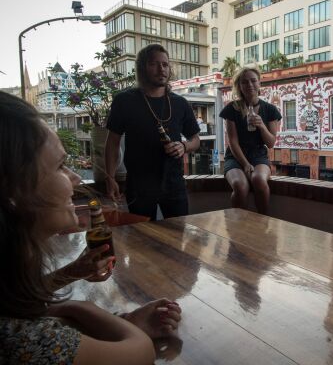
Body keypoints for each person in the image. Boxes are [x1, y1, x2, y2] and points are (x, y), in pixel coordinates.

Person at [0, 92, 181, 364]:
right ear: (11, 195)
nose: (74, 178)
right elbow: (141, 352)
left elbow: (18, 300)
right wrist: (77, 307)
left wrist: (71, 272)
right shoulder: (22, 340)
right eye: (61, 166)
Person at [105, 44, 200, 220]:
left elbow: (196, 139)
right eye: (153, 64)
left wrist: (183, 146)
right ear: (142, 68)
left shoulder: (180, 103)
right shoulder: (124, 101)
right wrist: (110, 178)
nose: (161, 69)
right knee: (141, 239)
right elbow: (112, 142)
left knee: (178, 238)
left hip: (174, 184)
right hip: (139, 186)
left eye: (165, 64)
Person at [219, 67, 281, 214]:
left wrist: (261, 126)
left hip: (258, 155)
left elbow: (271, 143)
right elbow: (232, 141)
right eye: (245, 82)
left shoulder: (270, 110)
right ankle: (238, 227)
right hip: (235, 157)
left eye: (253, 81)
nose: (250, 85)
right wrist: (245, 164)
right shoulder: (232, 109)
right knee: (240, 186)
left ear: (259, 83)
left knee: (259, 180)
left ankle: (263, 223)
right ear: (239, 86)